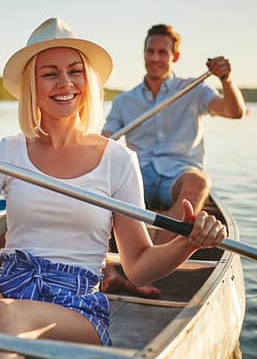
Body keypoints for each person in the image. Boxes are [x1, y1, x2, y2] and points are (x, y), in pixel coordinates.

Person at [0, 17, 226, 358]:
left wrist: (187, 245)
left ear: (87, 80)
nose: (65, 82)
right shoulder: (9, 151)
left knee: (7, 314)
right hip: (12, 287)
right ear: (32, 85)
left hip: (76, 308)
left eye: (74, 71)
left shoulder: (118, 159)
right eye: (50, 73)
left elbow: (138, 264)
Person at [102, 24, 245, 244]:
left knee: (199, 182)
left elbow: (234, 112)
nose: (155, 58)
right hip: (138, 175)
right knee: (102, 178)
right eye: (150, 52)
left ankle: (153, 259)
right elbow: (104, 141)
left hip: (177, 175)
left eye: (162, 52)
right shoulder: (124, 101)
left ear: (175, 56)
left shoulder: (194, 90)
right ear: (144, 54)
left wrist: (225, 79)